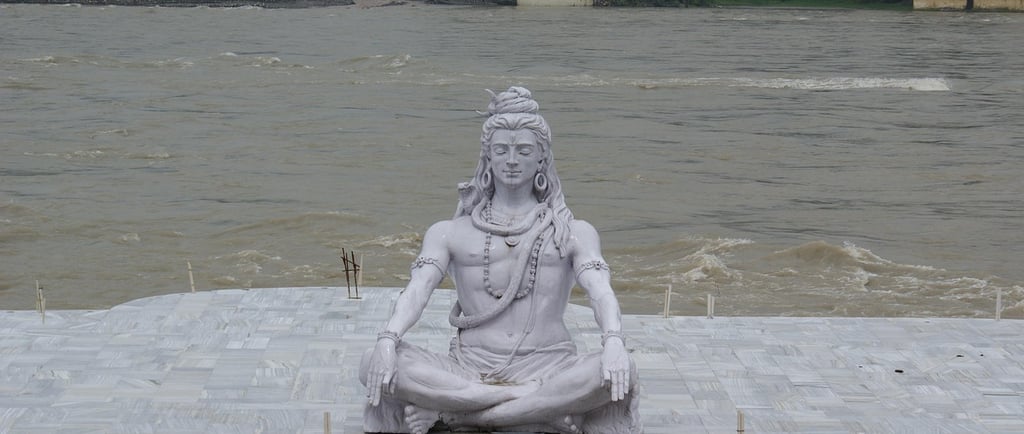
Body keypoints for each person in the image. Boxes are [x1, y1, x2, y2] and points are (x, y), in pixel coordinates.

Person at [360, 87, 640, 434]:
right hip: (468, 369)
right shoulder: (450, 232)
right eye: (501, 150)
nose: (511, 160)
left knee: (615, 370)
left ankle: (457, 415)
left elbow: (600, 291)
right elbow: (417, 291)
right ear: (487, 158)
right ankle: (535, 407)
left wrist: (613, 340)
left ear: (542, 159)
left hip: (550, 365)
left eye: (524, 150)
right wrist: (388, 340)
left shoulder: (572, 231)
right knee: (374, 362)